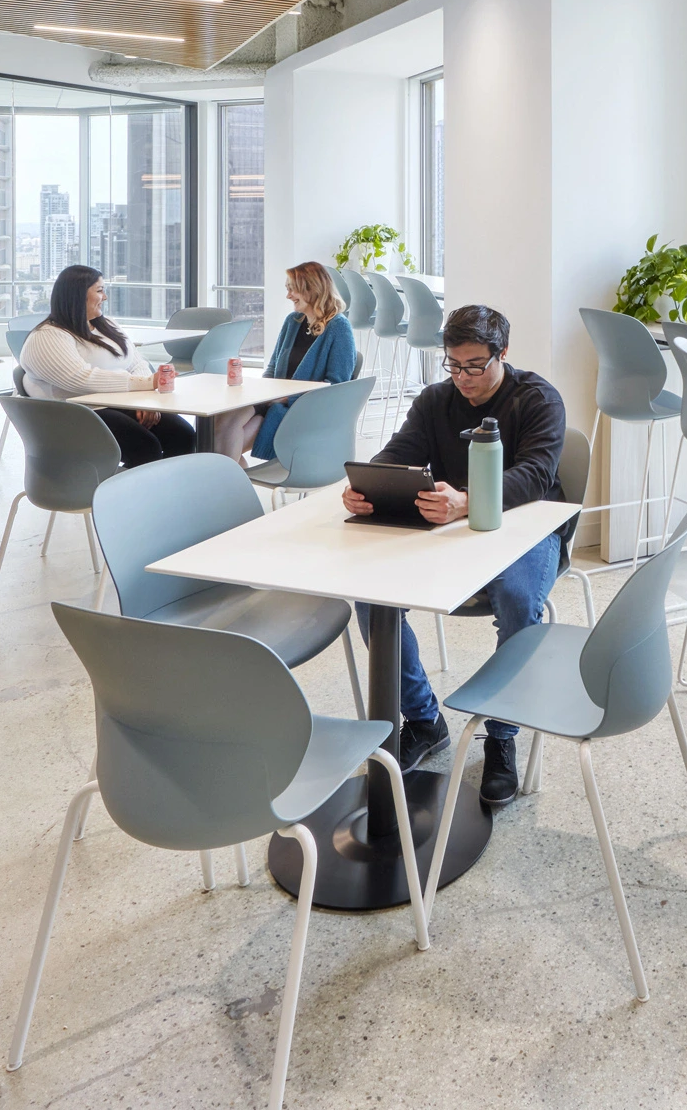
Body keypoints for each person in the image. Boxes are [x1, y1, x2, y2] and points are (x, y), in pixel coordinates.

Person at [341, 303, 570, 808]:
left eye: (475, 366)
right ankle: (424, 720)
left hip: (527, 529)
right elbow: (397, 453)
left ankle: (502, 736)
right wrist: (368, 484)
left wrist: (468, 500)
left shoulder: (538, 399)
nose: (463, 378)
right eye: (454, 365)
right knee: (371, 596)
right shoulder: (435, 400)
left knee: (517, 599)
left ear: (502, 353)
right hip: (449, 533)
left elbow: (536, 475)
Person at [18, 265, 194, 467]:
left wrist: (144, 401)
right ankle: (139, 488)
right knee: (145, 447)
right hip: (76, 413)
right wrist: (146, 384)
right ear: (77, 295)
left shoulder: (107, 324)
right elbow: (81, 379)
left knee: (183, 435)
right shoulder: (46, 337)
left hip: (118, 403)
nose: (105, 297)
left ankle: (170, 486)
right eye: (100, 290)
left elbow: (136, 362)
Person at [212, 262, 358, 460]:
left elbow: (336, 387)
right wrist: (260, 392)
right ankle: (230, 480)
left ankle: (223, 479)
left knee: (224, 442)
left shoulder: (339, 328)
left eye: (292, 289)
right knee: (223, 420)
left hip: (297, 409)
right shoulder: (293, 321)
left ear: (312, 289)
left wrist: (287, 398)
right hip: (272, 399)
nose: (288, 295)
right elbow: (273, 367)